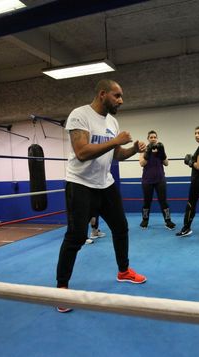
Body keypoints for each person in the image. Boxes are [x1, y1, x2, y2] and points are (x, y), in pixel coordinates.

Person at [55, 79, 147, 313]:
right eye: (117, 96)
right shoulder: (80, 115)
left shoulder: (112, 122)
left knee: (121, 227)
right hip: (80, 184)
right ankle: (61, 288)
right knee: (75, 237)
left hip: (104, 183)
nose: (121, 100)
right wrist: (115, 140)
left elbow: (117, 154)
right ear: (102, 94)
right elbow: (82, 152)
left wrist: (134, 149)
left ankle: (123, 271)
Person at [139, 130, 175, 230]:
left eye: (155, 137)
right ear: (148, 139)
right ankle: (145, 220)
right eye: (151, 137)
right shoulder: (144, 149)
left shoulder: (160, 149)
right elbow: (141, 163)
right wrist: (148, 152)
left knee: (163, 201)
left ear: (157, 138)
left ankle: (168, 221)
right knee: (147, 202)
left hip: (160, 180)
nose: (153, 139)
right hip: (147, 180)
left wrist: (162, 154)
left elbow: (166, 163)